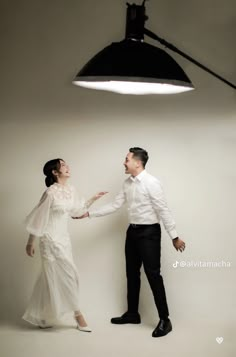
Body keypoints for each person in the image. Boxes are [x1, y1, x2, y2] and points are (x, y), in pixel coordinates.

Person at [77, 147, 185, 337]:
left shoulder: (152, 183)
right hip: (132, 232)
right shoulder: (127, 183)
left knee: (153, 275)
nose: (124, 162)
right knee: (131, 273)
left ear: (137, 162)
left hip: (150, 232)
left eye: (126, 159)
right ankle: (133, 314)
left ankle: (165, 320)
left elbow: (164, 210)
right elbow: (115, 205)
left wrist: (174, 236)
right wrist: (89, 213)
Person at [23, 158, 107, 331]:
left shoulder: (71, 189)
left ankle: (42, 316)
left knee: (50, 279)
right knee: (71, 275)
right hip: (50, 239)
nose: (68, 167)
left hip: (64, 239)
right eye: (63, 165)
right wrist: (30, 242)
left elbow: (76, 211)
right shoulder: (50, 192)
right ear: (55, 172)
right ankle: (78, 315)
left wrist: (93, 199)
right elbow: (38, 219)